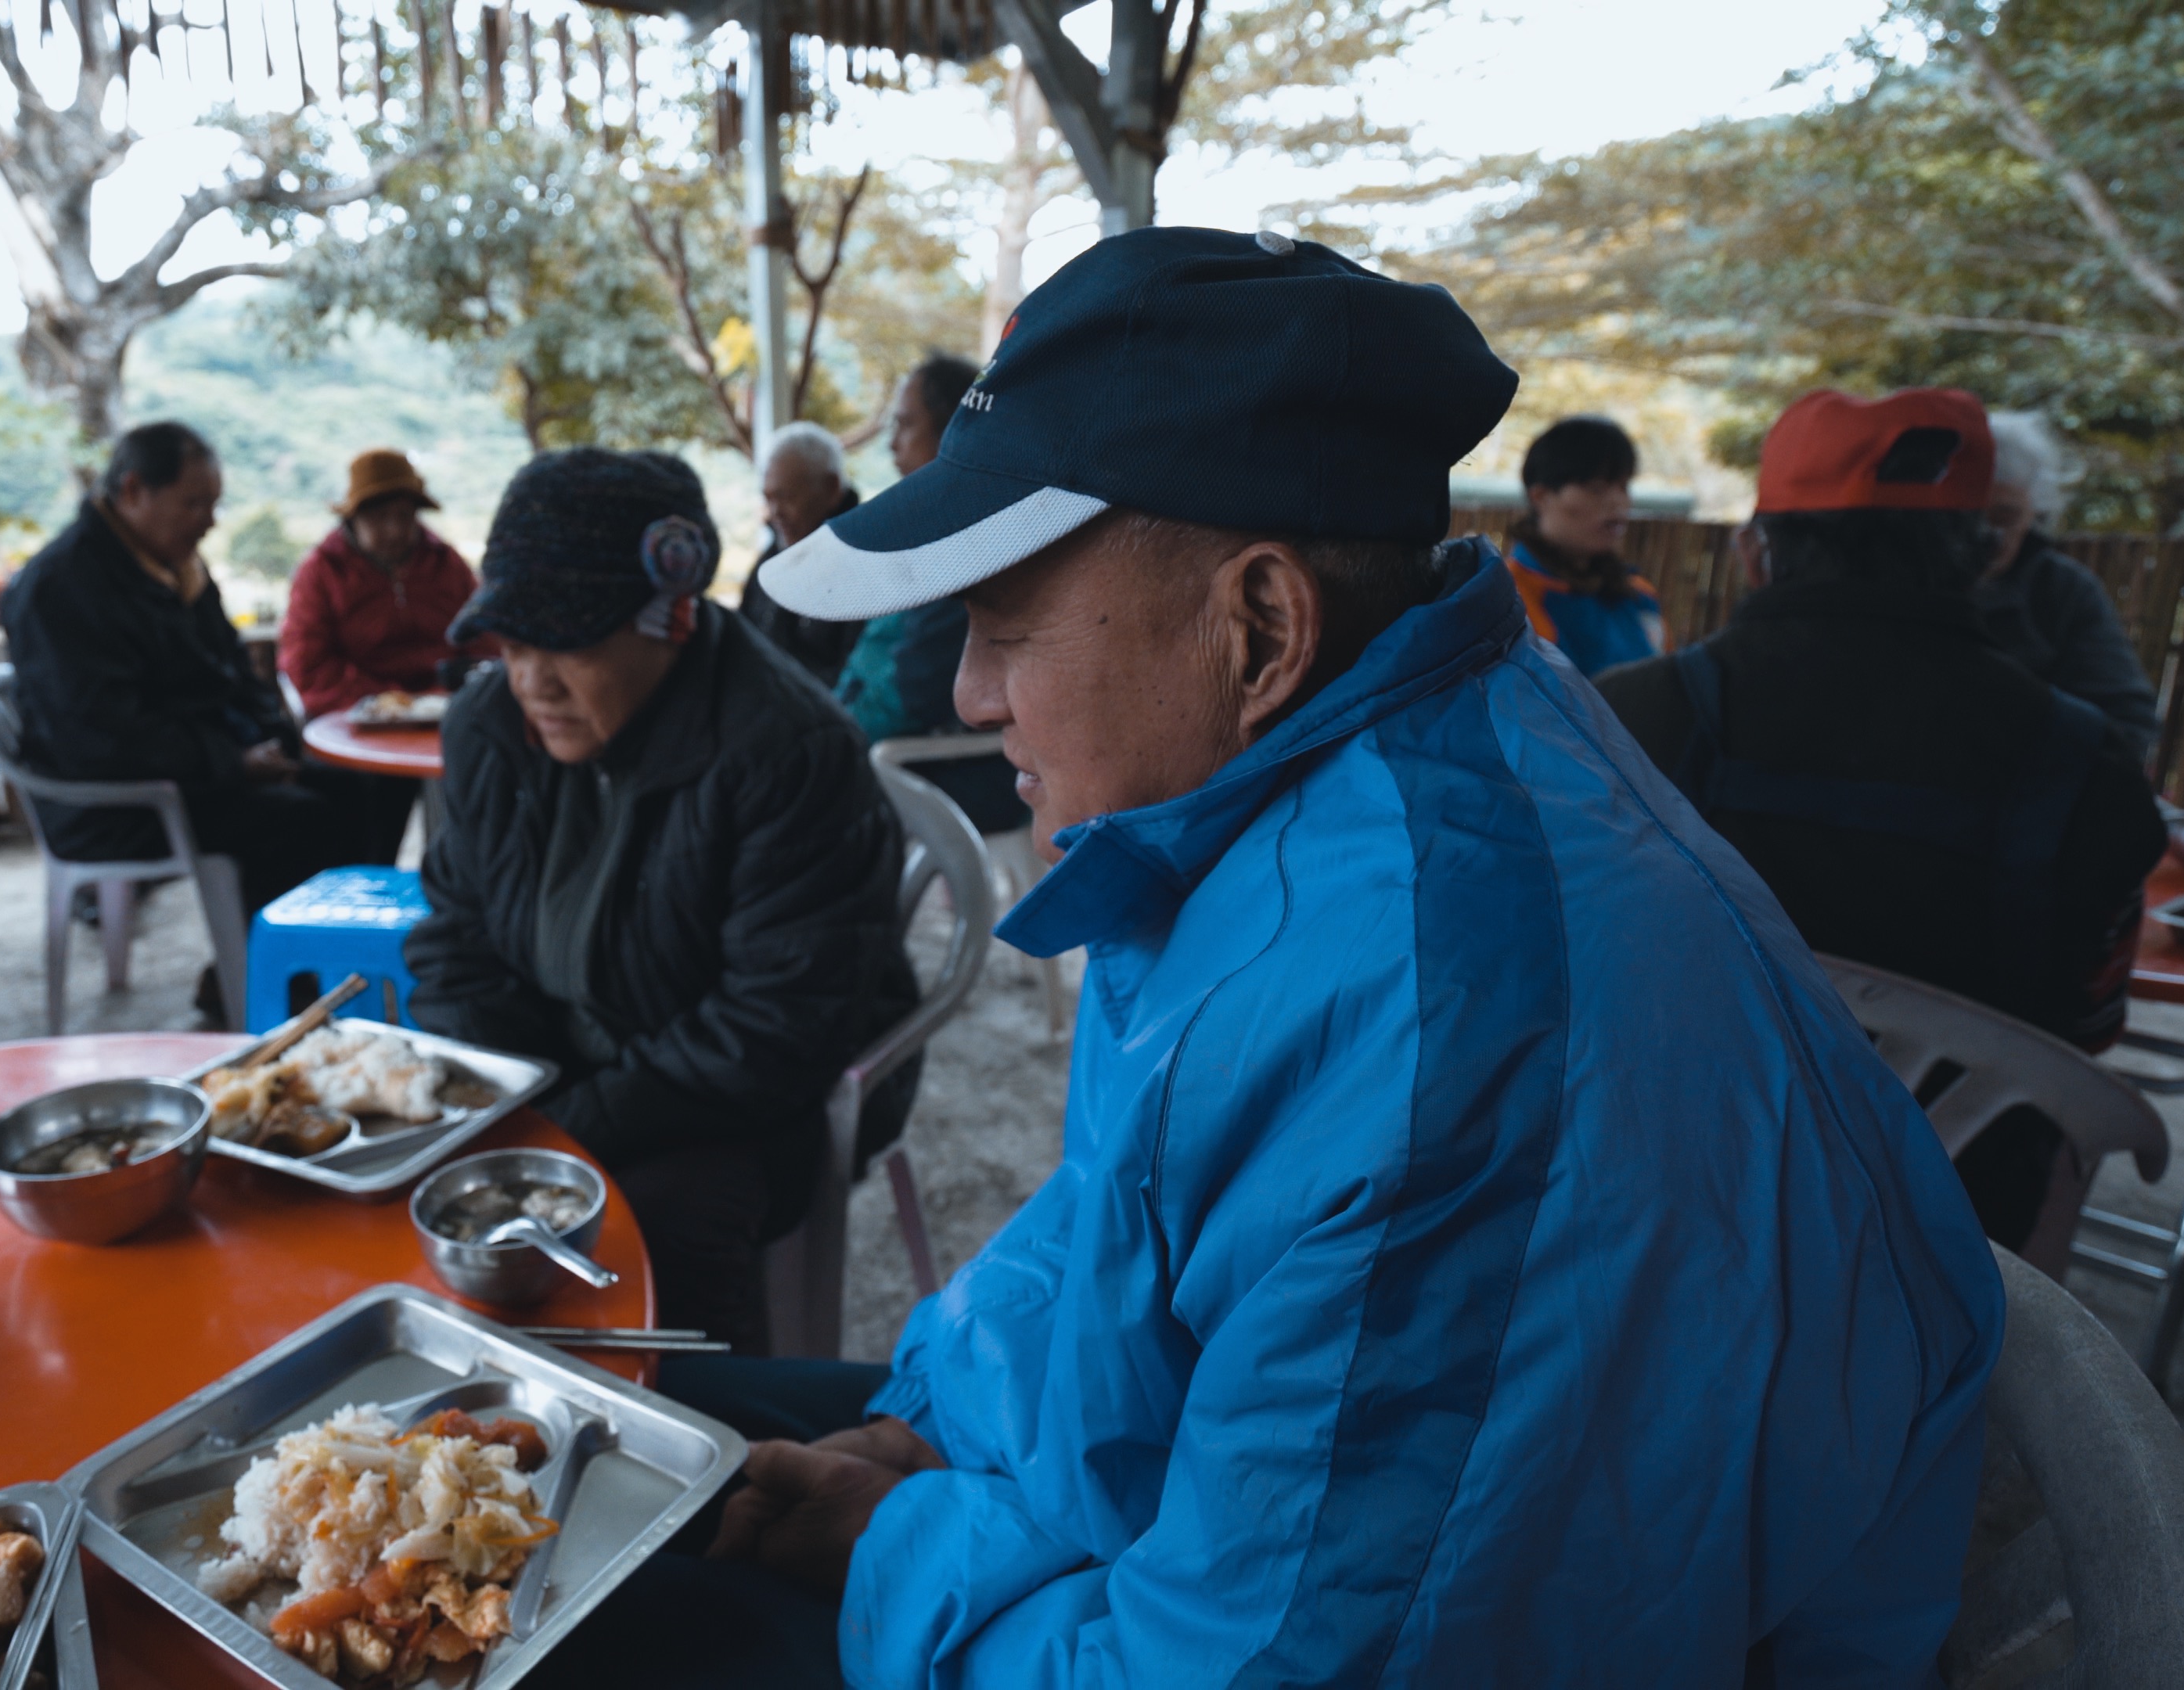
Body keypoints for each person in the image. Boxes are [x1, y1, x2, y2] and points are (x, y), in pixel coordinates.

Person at [534, 229, 2007, 1688]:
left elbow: (1255, 1663)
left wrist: (896, 1552)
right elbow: (1125, 1220)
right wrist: (933, 1426)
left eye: (1003, 616)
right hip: (1227, 1526)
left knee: (576, 1620)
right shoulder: (1303, 785)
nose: (973, 690)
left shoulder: (1445, 1053)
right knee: (595, 1450)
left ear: (1258, 625)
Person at [1596, 387, 2170, 1263]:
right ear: (1984, 555)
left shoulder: (1625, 722)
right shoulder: (2090, 772)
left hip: (1655, 1207)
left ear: (1757, 553)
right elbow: (2085, 1038)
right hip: (1959, 1253)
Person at [401, 447, 920, 1357]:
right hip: (555, 1075)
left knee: (660, 1228)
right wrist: (512, 1101)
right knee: (427, 1196)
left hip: (740, 1105)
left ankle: (713, 1462)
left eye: (566, 644)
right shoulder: (489, 727)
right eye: (512, 643)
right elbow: (453, 938)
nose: (532, 681)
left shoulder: (787, 752)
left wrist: (572, 1129)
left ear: (669, 618)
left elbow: (775, 1029)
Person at [0, 422, 404, 983]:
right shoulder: (60, 587)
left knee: (355, 786)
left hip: (196, 770)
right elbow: (99, 734)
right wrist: (232, 764)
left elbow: (237, 674)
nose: (208, 523)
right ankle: (269, 984)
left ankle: (320, 960)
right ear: (135, 490)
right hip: (117, 802)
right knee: (300, 821)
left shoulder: (176, 568)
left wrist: (273, 741)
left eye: (213, 506)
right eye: (193, 505)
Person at [826, 354, 1027, 834]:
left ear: (953, 432)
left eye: (905, 425)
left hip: (950, 769)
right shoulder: (931, 535)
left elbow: (914, 688)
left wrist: (830, 737)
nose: (892, 443)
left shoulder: (967, 549)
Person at [1977, 411, 2161, 763]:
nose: (1990, 537)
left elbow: (2128, 720)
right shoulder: (1896, 578)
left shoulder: (2062, 589)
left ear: (2035, 512)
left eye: (2005, 517)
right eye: (1972, 517)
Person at [277, 447, 488, 717]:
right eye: (380, 517)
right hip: (357, 716)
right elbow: (308, 664)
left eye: (404, 516)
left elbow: (483, 642)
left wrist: (440, 699)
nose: (395, 530)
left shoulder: (447, 564)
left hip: (450, 710)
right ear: (353, 518)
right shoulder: (321, 572)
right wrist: (390, 703)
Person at [1502, 413, 1668, 674]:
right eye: (1596, 488)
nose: (1618, 502)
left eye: (1623, 486)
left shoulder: (1639, 595)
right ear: (1541, 497)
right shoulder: (1505, 597)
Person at [736, 422, 864, 685]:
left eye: (785, 497)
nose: (775, 512)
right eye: (769, 499)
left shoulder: (864, 561)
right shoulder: (774, 555)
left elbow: (855, 679)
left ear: (831, 488)